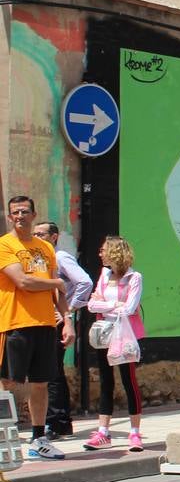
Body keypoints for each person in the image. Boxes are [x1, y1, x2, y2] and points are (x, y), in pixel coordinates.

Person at [0, 196, 76, 460]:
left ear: (33, 214)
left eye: (24, 211)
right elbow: (23, 282)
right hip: (14, 323)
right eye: (14, 213)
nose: (19, 216)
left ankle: (38, 439)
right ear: (10, 217)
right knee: (7, 382)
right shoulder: (4, 245)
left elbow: (60, 292)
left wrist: (67, 321)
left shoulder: (45, 247)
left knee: (41, 383)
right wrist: (55, 284)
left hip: (45, 324)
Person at [83, 236, 148, 451]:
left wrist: (105, 305)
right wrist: (112, 304)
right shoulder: (104, 275)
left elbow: (130, 308)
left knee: (128, 380)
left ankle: (135, 432)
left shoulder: (134, 277)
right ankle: (103, 432)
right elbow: (91, 305)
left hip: (125, 334)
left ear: (115, 252)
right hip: (105, 333)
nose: (100, 254)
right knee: (105, 381)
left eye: (104, 250)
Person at [33, 221, 92, 439]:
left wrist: (70, 309)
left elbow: (84, 282)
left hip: (56, 321)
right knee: (51, 372)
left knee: (52, 372)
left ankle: (56, 423)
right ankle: (60, 422)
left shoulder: (60, 257)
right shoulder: (40, 259)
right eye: (35, 234)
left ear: (54, 237)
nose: (38, 237)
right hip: (45, 320)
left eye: (42, 234)